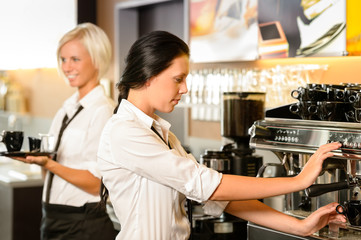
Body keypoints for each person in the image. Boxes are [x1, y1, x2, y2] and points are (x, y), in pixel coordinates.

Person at [97, 30, 345, 240]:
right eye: (178, 79)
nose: (185, 88)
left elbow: (220, 199)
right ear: (148, 76)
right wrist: (298, 181)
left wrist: (300, 226)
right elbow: (204, 185)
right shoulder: (124, 131)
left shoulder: (163, 135)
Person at [14, 23, 117, 240]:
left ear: (97, 60)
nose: (67, 67)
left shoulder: (103, 111)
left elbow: (97, 184)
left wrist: (49, 164)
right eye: (63, 59)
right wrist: (41, 161)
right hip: (52, 218)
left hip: (83, 224)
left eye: (75, 59)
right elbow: (52, 167)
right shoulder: (66, 108)